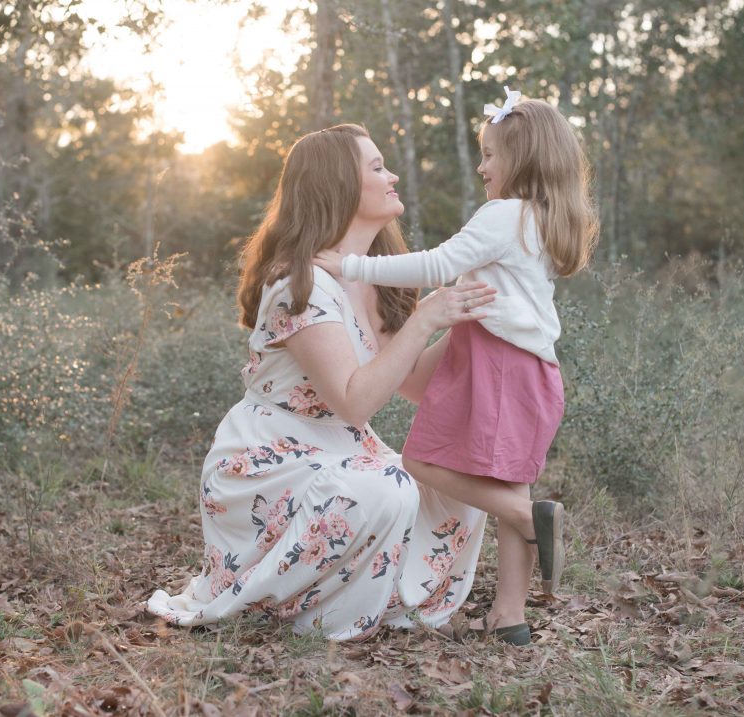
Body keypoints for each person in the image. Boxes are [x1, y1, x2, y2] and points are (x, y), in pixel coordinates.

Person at [147, 124, 497, 640]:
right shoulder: (299, 283)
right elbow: (355, 402)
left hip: (344, 451)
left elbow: (415, 384)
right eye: (377, 167)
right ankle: (314, 618)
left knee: (455, 483)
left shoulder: (374, 278)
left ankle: (384, 605)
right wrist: (427, 319)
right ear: (339, 186)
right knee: (388, 490)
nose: (392, 175)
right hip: (272, 461)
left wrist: (469, 313)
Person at [315, 88, 599, 646]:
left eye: (491, 154)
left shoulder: (504, 215)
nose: (482, 165)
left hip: (495, 364)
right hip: (537, 372)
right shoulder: (545, 220)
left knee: (423, 460)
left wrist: (350, 265)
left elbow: (438, 262)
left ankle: (525, 513)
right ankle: (510, 617)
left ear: (523, 159)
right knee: (508, 481)